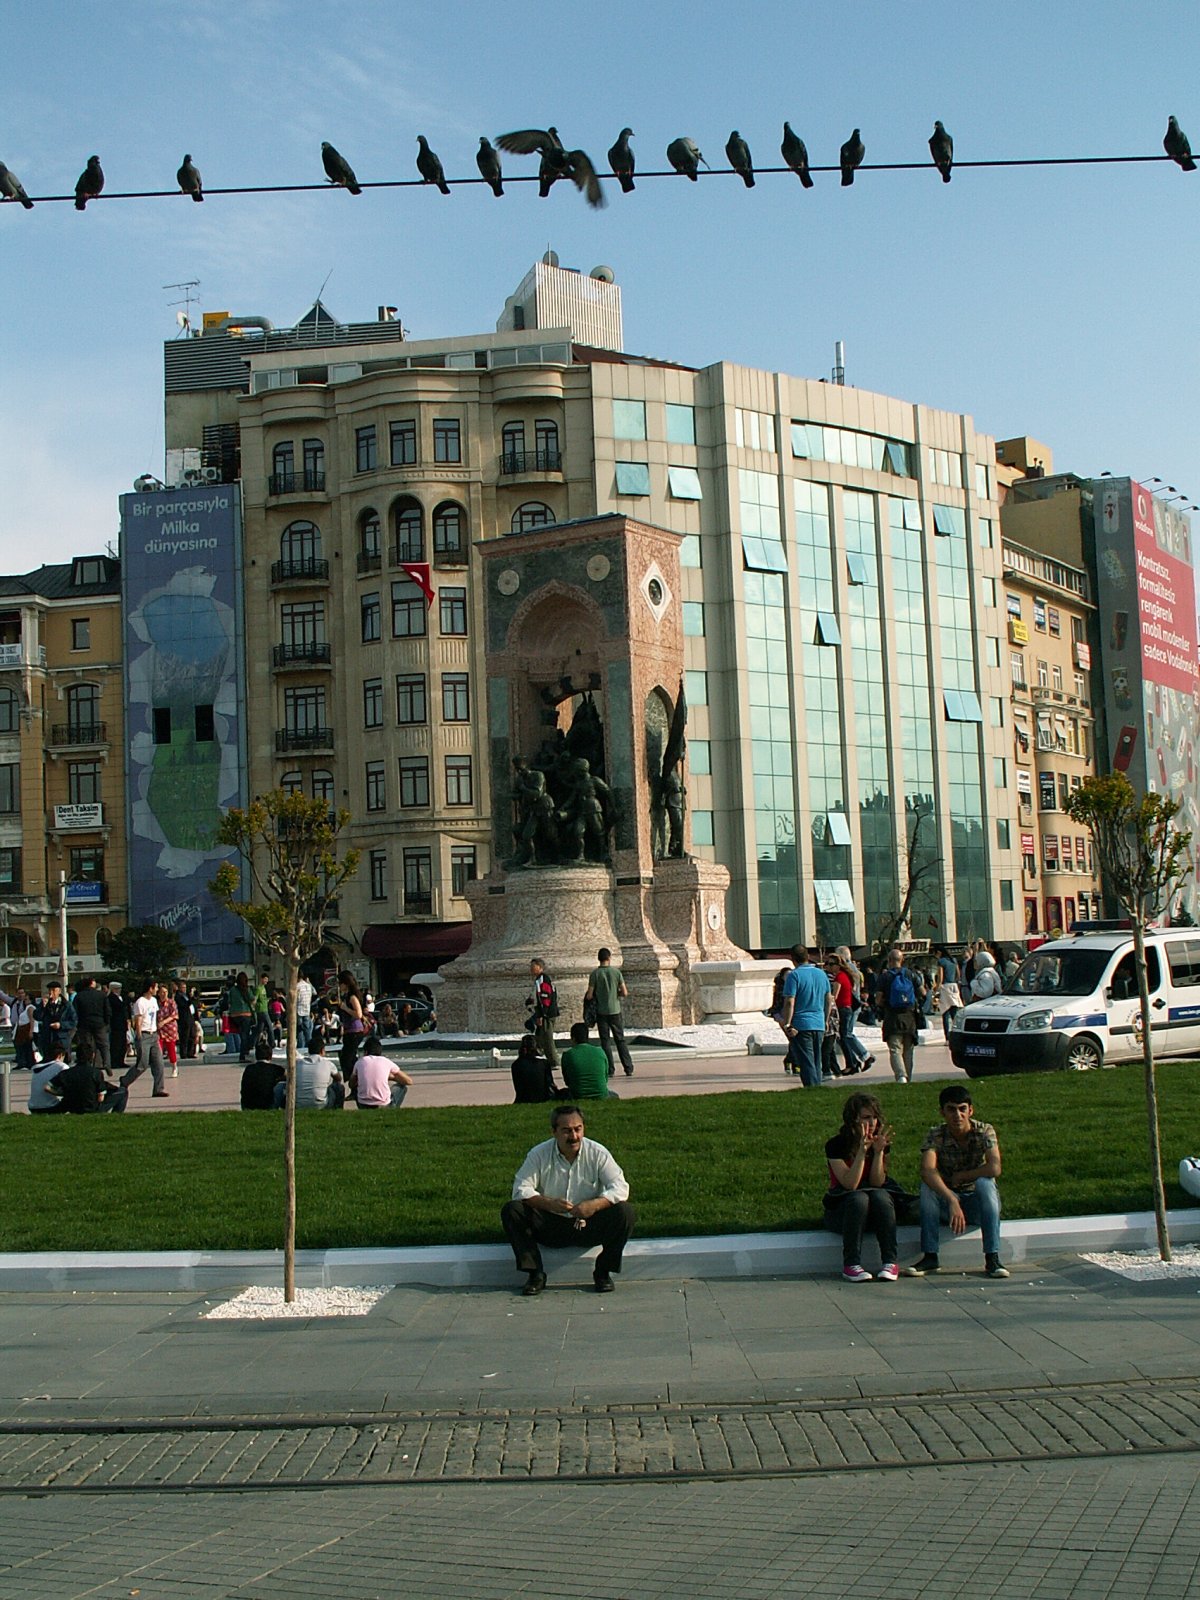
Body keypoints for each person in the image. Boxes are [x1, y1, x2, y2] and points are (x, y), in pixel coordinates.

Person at [501, 1103, 636, 1296]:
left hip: (589, 1223)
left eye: (577, 1129)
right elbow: (520, 1189)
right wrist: (548, 1203)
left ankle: (603, 1273)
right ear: (554, 1132)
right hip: (551, 1224)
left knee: (625, 1212)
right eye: (566, 1131)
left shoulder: (598, 1153)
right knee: (512, 1210)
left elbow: (621, 1187)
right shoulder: (539, 1154)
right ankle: (535, 1274)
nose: (573, 1136)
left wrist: (595, 1205)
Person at [904, 1085, 1008, 1279]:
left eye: (962, 1109)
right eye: (951, 1109)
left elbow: (995, 1167)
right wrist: (951, 1199)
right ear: (942, 1112)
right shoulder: (936, 1134)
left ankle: (992, 1257)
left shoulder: (984, 1130)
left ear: (970, 1110)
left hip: (976, 1202)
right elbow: (927, 1170)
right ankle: (930, 1256)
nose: (957, 1115)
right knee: (927, 1188)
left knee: (986, 1183)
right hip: (947, 1202)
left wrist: (964, 1176)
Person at [823, 1092, 910, 1282]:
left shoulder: (879, 1142)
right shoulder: (836, 1145)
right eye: (866, 1118)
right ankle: (851, 1264)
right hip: (844, 1209)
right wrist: (861, 1153)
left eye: (875, 1117)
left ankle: (890, 1262)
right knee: (859, 1198)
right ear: (853, 1120)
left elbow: (877, 1182)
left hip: (874, 1209)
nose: (872, 1123)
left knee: (881, 1196)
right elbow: (850, 1184)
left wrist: (878, 1153)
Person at [777, 945, 830, 1088]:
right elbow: (828, 999)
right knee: (816, 1060)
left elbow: (789, 1001)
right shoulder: (821, 974)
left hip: (801, 1024)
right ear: (807, 956)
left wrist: (787, 1023)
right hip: (818, 1022)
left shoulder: (794, 976)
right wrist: (825, 1020)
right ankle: (818, 1087)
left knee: (806, 1060)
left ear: (793, 959)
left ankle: (812, 1089)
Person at [874, 947, 925, 1084]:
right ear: (902, 960)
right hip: (910, 1016)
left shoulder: (885, 977)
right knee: (908, 1048)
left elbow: (878, 999)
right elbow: (923, 992)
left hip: (892, 1016)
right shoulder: (911, 974)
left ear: (889, 961)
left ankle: (901, 1076)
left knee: (895, 1048)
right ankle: (908, 1076)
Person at [584, 947, 636, 1078]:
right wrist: (615, 994)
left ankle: (610, 1069)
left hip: (602, 1012)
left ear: (599, 959)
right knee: (620, 1040)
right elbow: (624, 992)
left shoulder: (595, 974)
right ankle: (628, 1067)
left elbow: (589, 995)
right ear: (609, 958)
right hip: (615, 1010)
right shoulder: (616, 972)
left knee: (605, 1041)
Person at [274, 1027, 345, 1109]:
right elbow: (338, 1078)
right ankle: (337, 1109)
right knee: (339, 1087)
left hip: (298, 1104)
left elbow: (288, 1077)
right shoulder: (328, 1064)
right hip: (321, 1104)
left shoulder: (298, 1064)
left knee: (281, 1087)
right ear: (322, 1050)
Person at [121, 978, 168, 1098]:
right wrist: (139, 1035)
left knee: (159, 1063)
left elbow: (155, 1017)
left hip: (154, 1035)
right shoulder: (140, 1002)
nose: (157, 990)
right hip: (144, 1035)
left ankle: (158, 1089)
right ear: (150, 988)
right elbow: (138, 1020)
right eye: (156, 987)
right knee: (142, 1064)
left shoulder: (153, 1001)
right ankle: (125, 1081)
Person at [826, 952, 871, 1074]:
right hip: (847, 1008)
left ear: (838, 965)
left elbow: (833, 997)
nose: (828, 967)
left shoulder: (839, 978)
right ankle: (854, 1062)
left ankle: (852, 1064)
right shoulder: (845, 976)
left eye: (831, 964)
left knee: (843, 1037)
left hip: (843, 1009)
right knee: (843, 1037)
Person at [55, 1046, 129, 1114]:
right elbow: (101, 1098)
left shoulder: (66, 1073)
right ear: (93, 1055)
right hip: (92, 1108)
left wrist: (61, 1093)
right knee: (123, 1091)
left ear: (77, 1056)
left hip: (72, 1108)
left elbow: (47, 1087)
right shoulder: (96, 1073)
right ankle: (116, 1114)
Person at [348, 1035, 414, 1108]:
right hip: (382, 1104)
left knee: (358, 1086)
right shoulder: (386, 1061)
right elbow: (408, 1081)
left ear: (366, 1052)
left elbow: (351, 1084)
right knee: (401, 1087)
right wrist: (391, 1077)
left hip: (363, 1104)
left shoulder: (359, 1062)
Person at [560, 1021, 615, 1100]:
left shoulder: (568, 1055)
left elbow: (567, 1081)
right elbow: (605, 1077)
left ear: (573, 1038)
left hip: (577, 1095)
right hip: (601, 1094)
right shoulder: (600, 1052)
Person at [71, 976, 111, 1072]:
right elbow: (108, 1011)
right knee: (103, 1045)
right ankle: (107, 1063)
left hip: (84, 1024)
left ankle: (88, 1063)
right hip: (99, 1023)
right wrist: (106, 1022)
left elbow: (75, 1012)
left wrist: (77, 1024)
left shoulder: (79, 996)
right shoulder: (101, 995)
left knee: (86, 1045)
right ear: (91, 984)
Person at [527, 958, 560, 1069]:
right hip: (544, 1012)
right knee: (539, 1036)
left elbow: (545, 998)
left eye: (533, 966)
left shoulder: (543, 980)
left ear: (540, 967)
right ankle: (537, 1056)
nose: (531, 969)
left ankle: (554, 1061)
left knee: (547, 1038)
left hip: (547, 1014)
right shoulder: (539, 979)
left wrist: (542, 1015)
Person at [511, 1034, 562, 1104]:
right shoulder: (544, 1063)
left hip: (523, 1099)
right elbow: (550, 1083)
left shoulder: (516, 1065)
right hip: (543, 1098)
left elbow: (518, 1087)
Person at [35, 981, 76, 1065]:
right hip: (48, 1038)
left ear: (59, 991)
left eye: (54, 990)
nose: (51, 993)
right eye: (50, 990)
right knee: (48, 1062)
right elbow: (37, 1016)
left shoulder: (66, 1005)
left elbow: (73, 1021)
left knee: (63, 1062)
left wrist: (61, 1025)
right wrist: (43, 1007)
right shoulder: (44, 1004)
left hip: (61, 1038)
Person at [336, 971, 367, 1079]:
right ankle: (353, 1081)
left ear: (346, 983)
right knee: (348, 1057)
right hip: (349, 1031)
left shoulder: (352, 997)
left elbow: (358, 1014)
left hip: (355, 1031)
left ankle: (354, 1080)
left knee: (347, 1058)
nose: (339, 986)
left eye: (340, 983)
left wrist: (345, 1008)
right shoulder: (345, 996)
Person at [241, 1036, 284, 1111]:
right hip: (267, 1104)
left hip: (248, 1104)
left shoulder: (249, 1069)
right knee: (281, 1086)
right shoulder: (276, 1069)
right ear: (270, 1056)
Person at [27, 1044, 69, 1114]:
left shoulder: (36, 1067)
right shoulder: (61, 1066)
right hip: (51, 1107)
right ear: (60, 1055)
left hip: (33, 1107)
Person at [228, 973, 255, 1063]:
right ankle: (243, 1055)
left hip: (234, 1015)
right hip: (246, 1014)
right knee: (245, 1035)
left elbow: (229, 1001)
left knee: (240, 1034)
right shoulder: (247, 989)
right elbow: (252, 1000)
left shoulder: (232, 990)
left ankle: (244, 1053)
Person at [156, 983, 179, 1077]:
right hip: (158, 1029)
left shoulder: (171, 1002)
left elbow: (174, 1015)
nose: (164, 994)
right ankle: (159, 1069)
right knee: (158, 1049)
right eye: (162, 992)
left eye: (165, 992)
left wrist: (164, 1022)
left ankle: (174, 1067)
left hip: (169, 1028)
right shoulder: (156, 1003)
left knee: (171, 1048)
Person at [106, 982, 129, 1071]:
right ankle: (115, 1061)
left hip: (122, 1024)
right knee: (116, 1044)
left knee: (123, 1044)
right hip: (116, 1024)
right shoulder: (111, 998)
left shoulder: (120, 997)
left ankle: (121, 1060)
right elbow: (120, 1007)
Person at [294, 972, 316, 1052]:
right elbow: (314, 993)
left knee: (299, 1029)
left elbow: (295, 998)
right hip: (307, 1009)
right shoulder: (308, 985)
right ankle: (310, 1044)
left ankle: (301, 1046)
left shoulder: (297, 986)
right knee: (307, 1029)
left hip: (299, 1009)